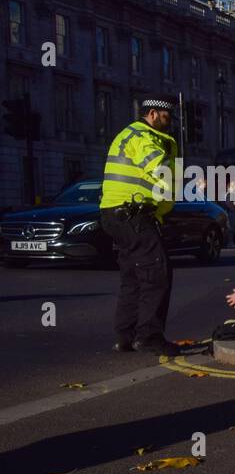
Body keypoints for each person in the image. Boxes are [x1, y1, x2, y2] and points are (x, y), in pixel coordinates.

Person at [100, 94, 181, 356]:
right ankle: (149, 336)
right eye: (166, 117)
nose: (170, 123)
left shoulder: (127, 134)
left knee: (133, 276)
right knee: (157, 273)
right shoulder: (143, 137)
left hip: (116, 214)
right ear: (153, 114)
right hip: (133, 214)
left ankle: (126, 335)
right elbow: (158, 168)